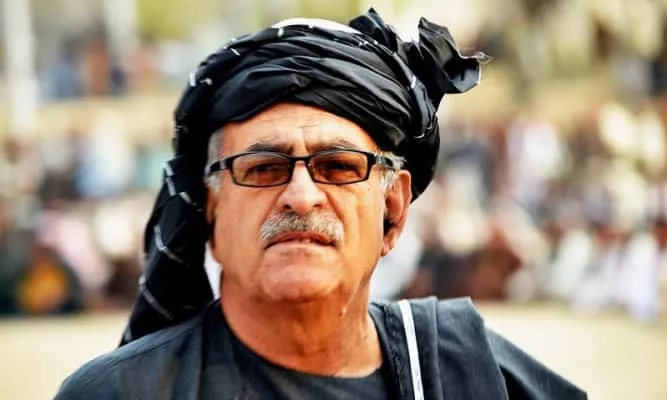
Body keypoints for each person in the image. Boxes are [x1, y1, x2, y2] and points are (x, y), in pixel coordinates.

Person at [56, 9, 586, 399]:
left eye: (338, 167)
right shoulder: (121, 392)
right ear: (211, 209)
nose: (301, 195)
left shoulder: (468, 375)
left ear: (393, 211)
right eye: (263, 169)